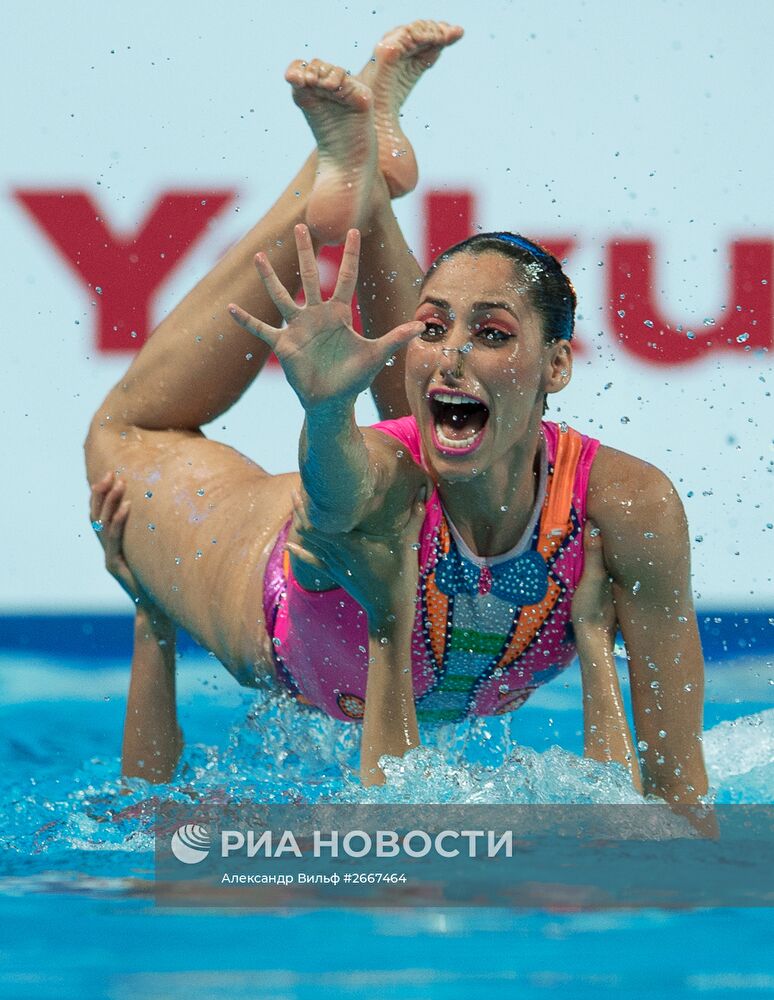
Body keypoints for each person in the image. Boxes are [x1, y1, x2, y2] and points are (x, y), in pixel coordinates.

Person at [86, 20, 704, 804]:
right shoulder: (378, 476)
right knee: (122, 436)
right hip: (271, 594)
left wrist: (591, 643)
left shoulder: (628, 509)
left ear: (559, 365)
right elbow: (338, 487)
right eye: (433, 326)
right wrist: (327, 408)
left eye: (492, 333)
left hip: (437, 491)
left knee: (455, 438)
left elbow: (678, 800)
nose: (450, 353)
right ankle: (333, 184)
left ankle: (363, 187)